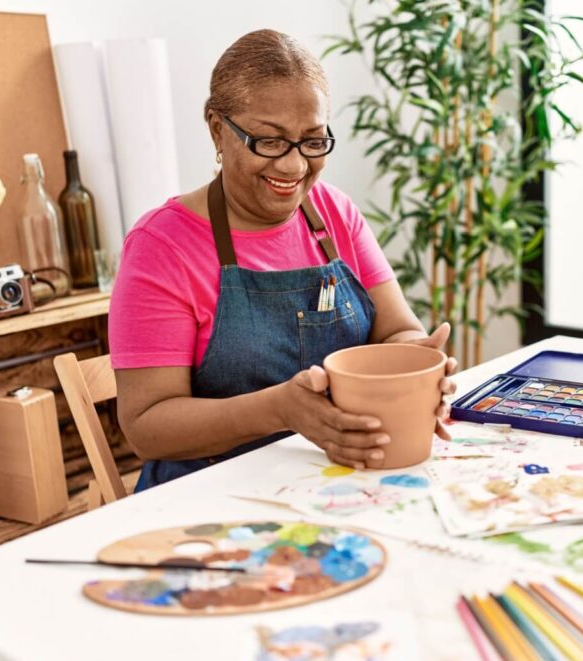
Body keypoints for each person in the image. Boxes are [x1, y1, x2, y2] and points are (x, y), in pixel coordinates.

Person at [108, 29, 456, 491]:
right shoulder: (162, 245)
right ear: (217, 129)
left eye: (313, 141)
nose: (294, 166)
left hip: (334, 483)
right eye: (269, 142)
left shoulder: (335, 214)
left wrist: (416, 367)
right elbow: (146, 427)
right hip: (207, 499)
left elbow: (396, 330)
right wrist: (277, 408)